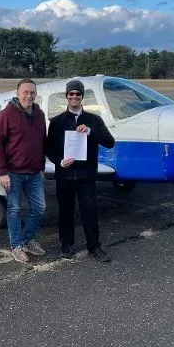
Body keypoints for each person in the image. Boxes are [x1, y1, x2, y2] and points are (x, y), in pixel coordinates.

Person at [47, 79, 115, 262]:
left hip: (86, 175)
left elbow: (110, 142)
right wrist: (60, 162)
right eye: (71, 94)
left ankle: (94, 246)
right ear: (67, 97)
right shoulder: (56, 122)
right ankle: (66, 245)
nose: (74, 96)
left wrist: (92, 132)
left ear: (82, 97)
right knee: (65, 211)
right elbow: (49, 149)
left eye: (78, 94)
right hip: (64, 175)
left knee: (90, 211)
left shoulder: (94, 120)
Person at [0, 78, 48, 264]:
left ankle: (27, 239)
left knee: (39, 208)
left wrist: (41, 166)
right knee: (14, 210)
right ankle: (16, 246)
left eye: (32, 92)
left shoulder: (39, 115)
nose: (29, 95)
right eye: (25, 92)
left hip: (34, 173)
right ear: (17, 93)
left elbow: (42, 142)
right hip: (13, 172)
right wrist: (2, 172)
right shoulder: (6, 114)